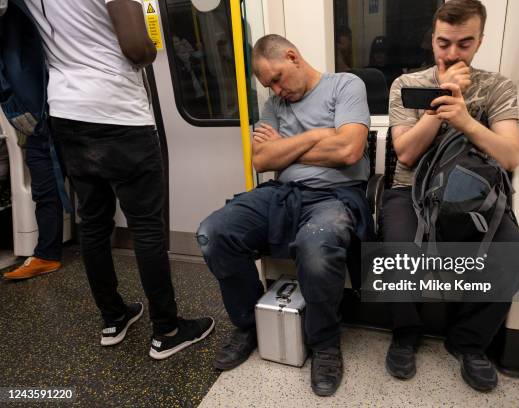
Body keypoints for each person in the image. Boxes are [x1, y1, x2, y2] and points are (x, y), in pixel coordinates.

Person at [24, 0, 214, 359]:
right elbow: (137, 48)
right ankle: (167, 329)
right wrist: (151, 48)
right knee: (146, 226)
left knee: (93, 224)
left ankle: (113, 318)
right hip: (118, 112)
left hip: (67, 112)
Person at [197, 34, 372, 396]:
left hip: (334, 194)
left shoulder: (345, 85)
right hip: (282, 194)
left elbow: (350, 149)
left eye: (276, 78)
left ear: (292, 57)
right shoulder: (274, 103)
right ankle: (249, 325)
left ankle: (324, 343)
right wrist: (319, 136)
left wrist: (285, 148)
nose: (275, 90)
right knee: (213, 232)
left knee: (317, 244)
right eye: (268, 85)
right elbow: (261, 161)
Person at [381, 0, 519, 392]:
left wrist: (464, 119)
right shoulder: (406, 86)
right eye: (444, 43)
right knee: (397, 248)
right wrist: (438, 104)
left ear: (479, 42)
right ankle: (406, 334)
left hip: (475, 194)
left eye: (464, 44)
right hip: (411, 190)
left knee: (514, 254)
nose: (451, 54)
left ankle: (468, 343)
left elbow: (511, 154)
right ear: (432, 39)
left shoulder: (497, 87)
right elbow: (406, 154)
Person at [1, 0, 64, 281]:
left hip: (58, 96)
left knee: (88, 180)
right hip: (37, 100)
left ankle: (89, 246)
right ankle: (48, 254)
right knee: (43, 178)